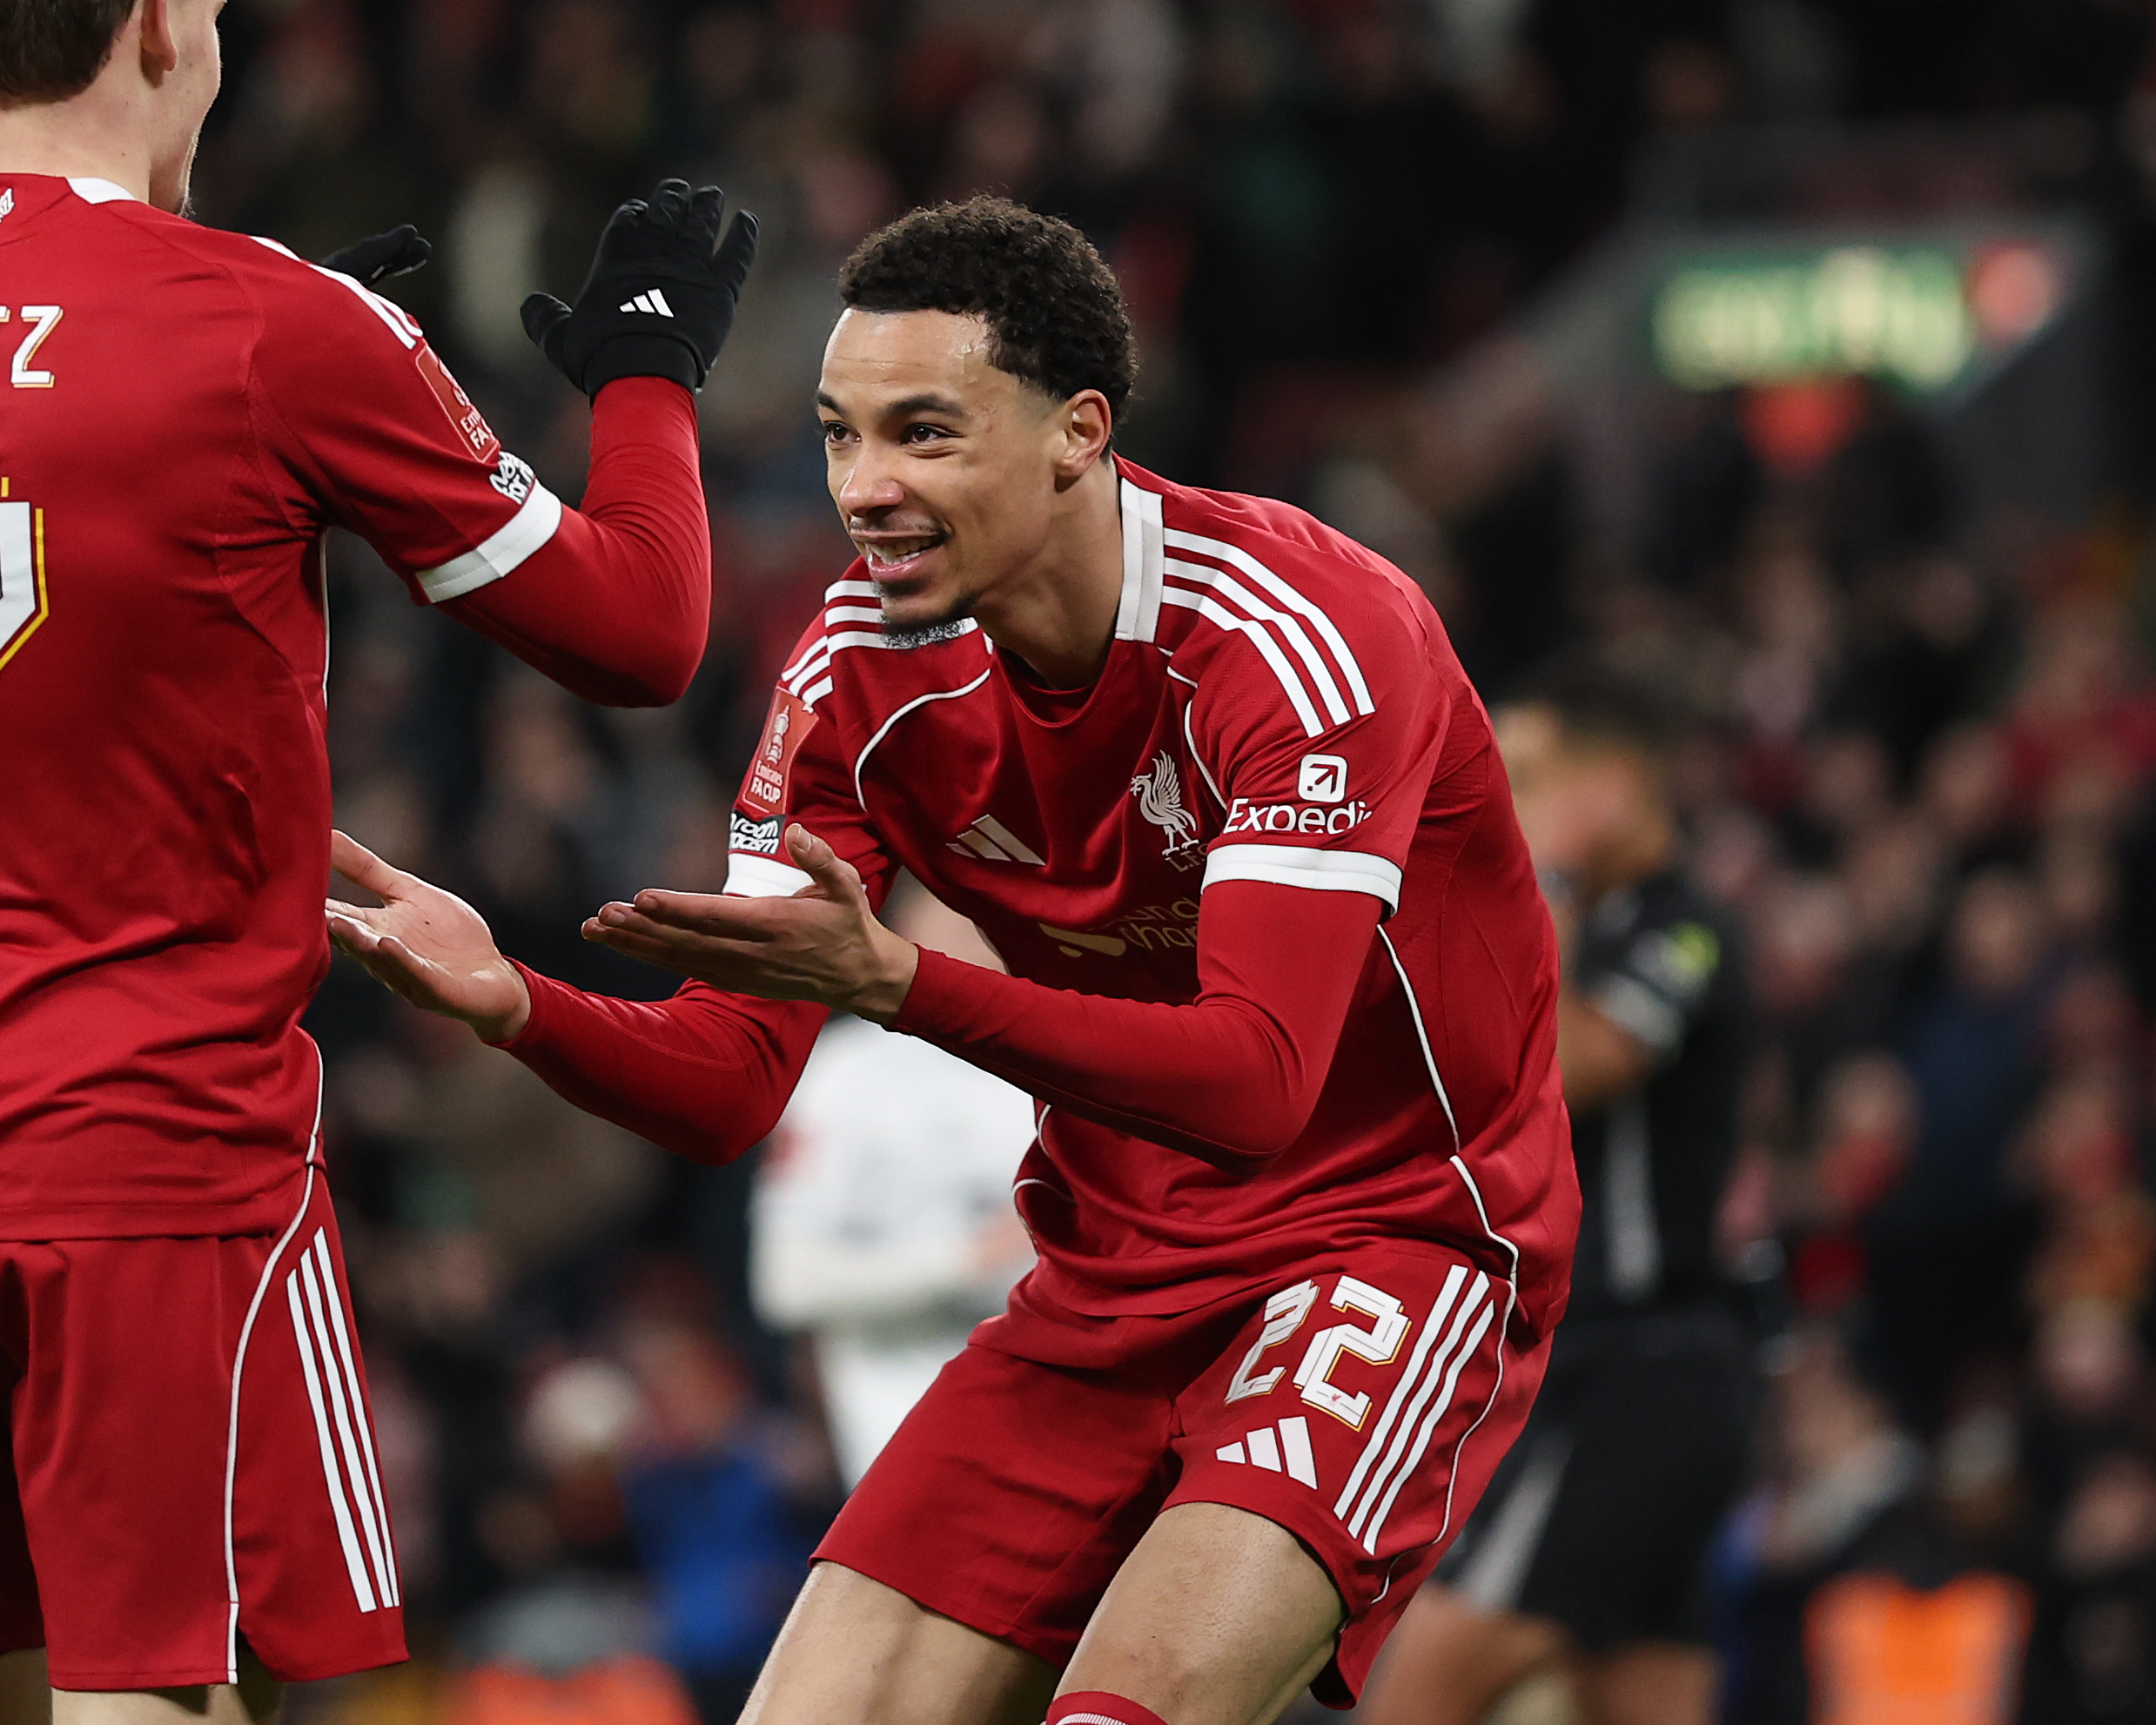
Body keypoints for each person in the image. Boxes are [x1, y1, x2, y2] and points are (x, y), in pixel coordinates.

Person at [0, 0, 758, 1725]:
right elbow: (642, 630)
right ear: (163, 16)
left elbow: (18, 461)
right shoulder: (272, 330)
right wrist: (641, 378)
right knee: (148, 1699)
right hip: (146, 1145)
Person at [328, 196, 1576, 1725]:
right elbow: (729, 1085)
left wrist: (900, 989)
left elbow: (1257, 1081)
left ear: (1075, 433)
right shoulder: (851, 676)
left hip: (1384, 1240)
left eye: (921, 434)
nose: (862, 488)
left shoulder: (1300, 637)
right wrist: (521, 1005)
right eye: (838, 435)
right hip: (1108, 1277)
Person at [1359, 690, 1758, 1725]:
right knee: (1643, 1697)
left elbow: (1575, 1063)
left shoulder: (1685, 929)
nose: (1511, 804)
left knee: (1421, 1692)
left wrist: (1539, 877)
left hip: (1639, 1369)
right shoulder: (1589, 922)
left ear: (1613, 786)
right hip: (1624, 1371)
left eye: (1533, 780)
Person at [750, 896, 1038, 1486]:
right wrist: (962, 1260)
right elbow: (786, 1281)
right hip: (909, 1442)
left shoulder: (1071, 1053)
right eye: (958, 914)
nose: (980, 935)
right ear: (905, 926)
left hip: (1072, 1425)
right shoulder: (844, 1074)